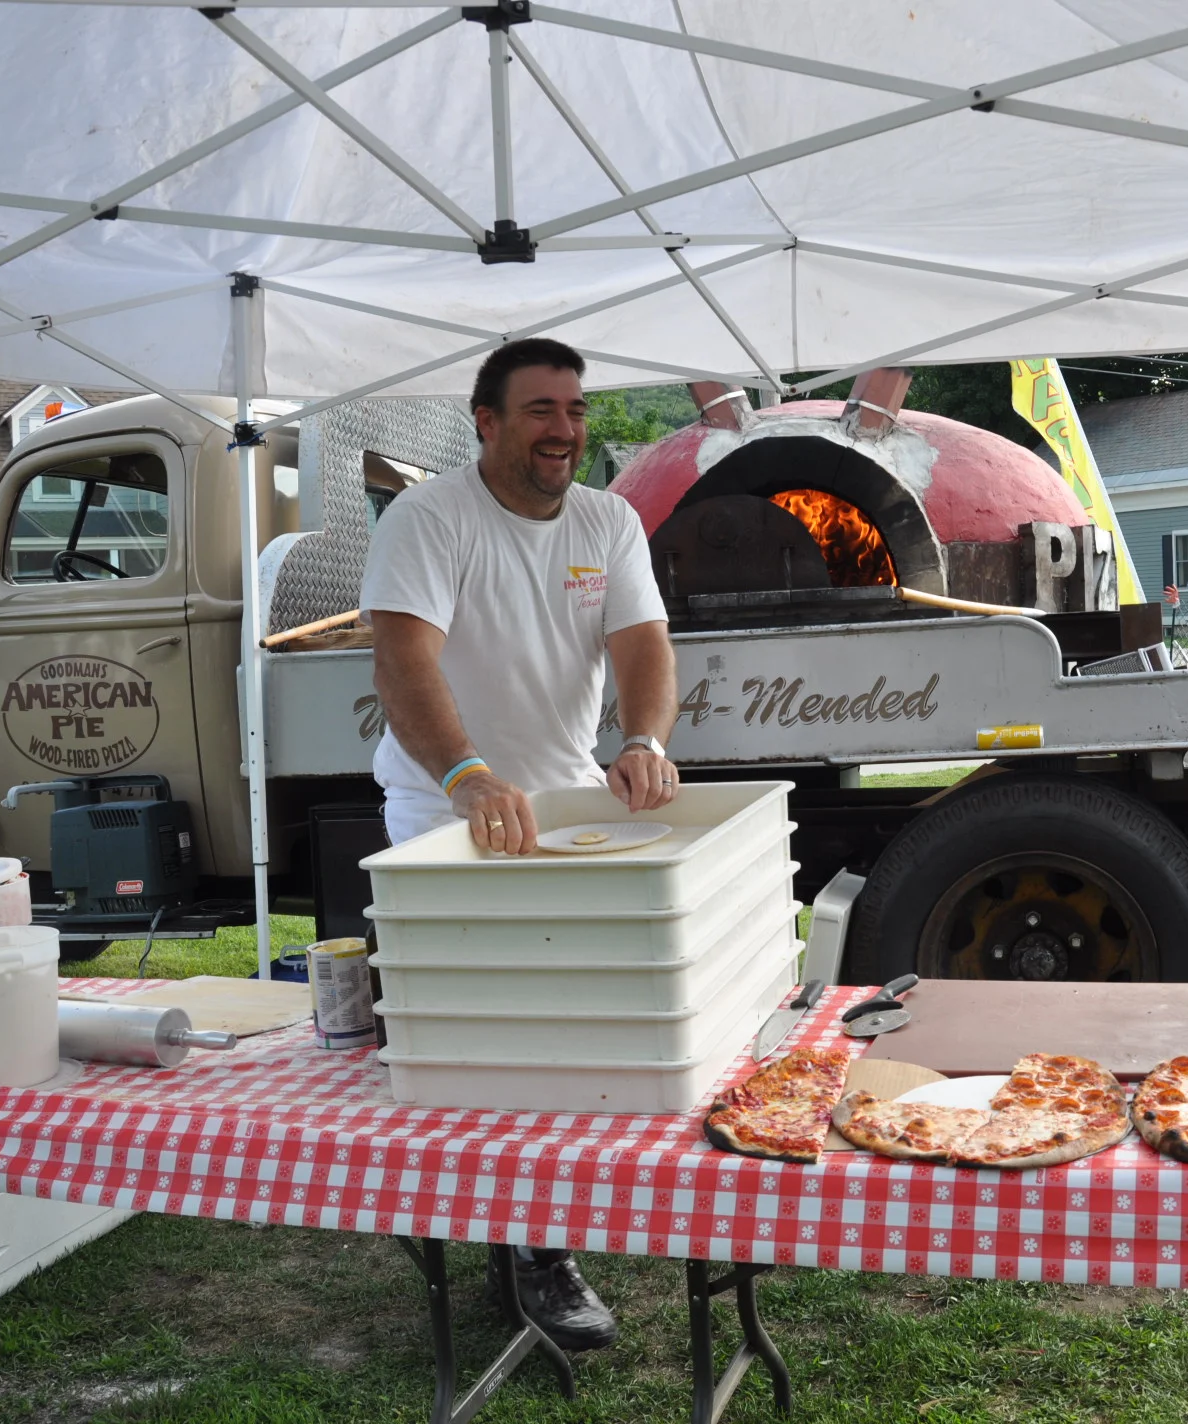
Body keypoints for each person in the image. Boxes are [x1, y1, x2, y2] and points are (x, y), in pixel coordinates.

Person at [359, 337, 682, 1353]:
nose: (565, 430)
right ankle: (523, 1245)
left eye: (576, 410)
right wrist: (464, 775)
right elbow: (403, 657)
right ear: (486, 422)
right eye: (541, 410)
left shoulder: (608, 517)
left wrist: (642, 740)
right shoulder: (427, 516)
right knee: (476, 1036)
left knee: (570, 1026)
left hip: (565, 807)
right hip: (440, 808)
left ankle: (538, 1227)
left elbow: (642, 647)